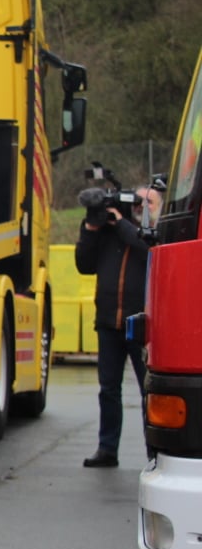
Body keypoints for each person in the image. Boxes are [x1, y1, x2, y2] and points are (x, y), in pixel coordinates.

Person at [74, 183, 161, 467]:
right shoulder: (110, 232)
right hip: (108, 322)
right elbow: (84, 264)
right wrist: (90, 227)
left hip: (141, 325)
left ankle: (155, 450)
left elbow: (146, 249)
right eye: (138, 201)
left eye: (148, 202)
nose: (141, 206)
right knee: (108, 389)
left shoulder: (151, 234)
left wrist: (121, 222)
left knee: (149, 390)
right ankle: (107, 448)